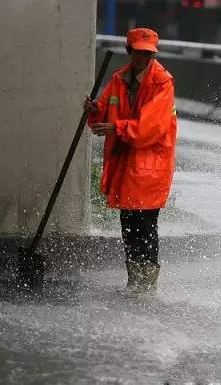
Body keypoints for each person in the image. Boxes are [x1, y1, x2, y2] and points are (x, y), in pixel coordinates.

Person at [84, 28, 177, 293]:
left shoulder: (162, 83)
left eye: (148, 54)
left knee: (145, 224)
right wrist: (96, 110)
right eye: (139, 52)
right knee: (129, 224)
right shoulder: (119, 79)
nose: (144, 58)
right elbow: (106, 114)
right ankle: (134, 281)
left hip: (150, 167)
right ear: (130, 52)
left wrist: (117, 128)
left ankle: (146, 285)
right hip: (127, 167)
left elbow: (151, 127)